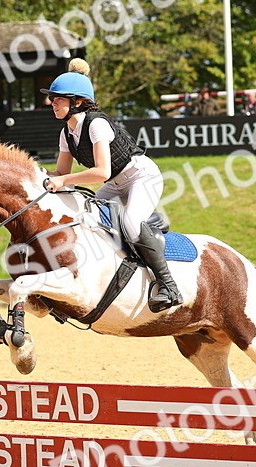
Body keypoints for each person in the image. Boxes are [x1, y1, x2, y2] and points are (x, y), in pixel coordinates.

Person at [41, 59, 182, 312]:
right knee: (86, 219)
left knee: (129, 224)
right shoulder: (66, 133)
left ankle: (168, 285)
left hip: (141, 176)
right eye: (53, 99)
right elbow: (62, 172)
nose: (53, 103)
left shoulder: (96, 124)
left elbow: (100, 171)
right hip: (115, 185)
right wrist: (37, 173)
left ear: (78, 102)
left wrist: (62, 180)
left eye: (58, 99)